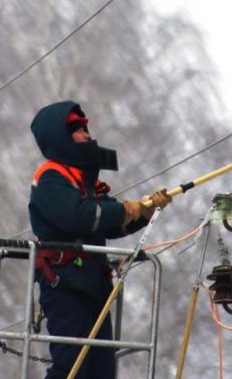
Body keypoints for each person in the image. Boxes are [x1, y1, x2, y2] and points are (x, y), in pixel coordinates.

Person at [29, 101, 171, 379]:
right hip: (64, 286)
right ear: (60, 138)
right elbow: (80, 217)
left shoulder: (84, 183)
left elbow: (109, 225)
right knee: (72, 367)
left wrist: (144, 211)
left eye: (85, 127)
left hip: (92, 285)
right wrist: (124, 209)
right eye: (76, 130)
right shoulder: (50, 178)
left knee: (102, 369)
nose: (85, 134)